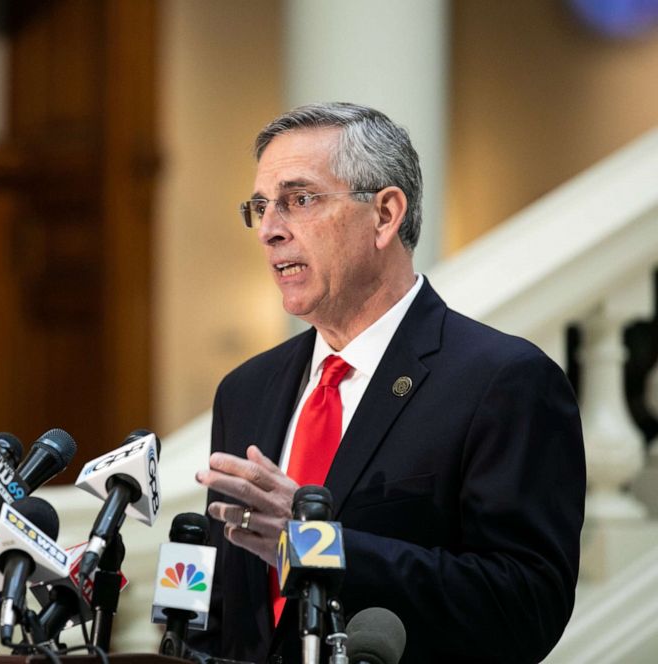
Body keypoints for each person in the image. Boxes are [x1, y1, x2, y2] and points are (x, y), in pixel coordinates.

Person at [192, 103, 585, 664]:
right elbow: (225, 606)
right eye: (260, 206)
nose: (271, 230)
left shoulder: (504, 381)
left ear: (385, 215)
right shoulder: (245, 390)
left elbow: (525, 604)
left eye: (299, 199)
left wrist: (316, 547)